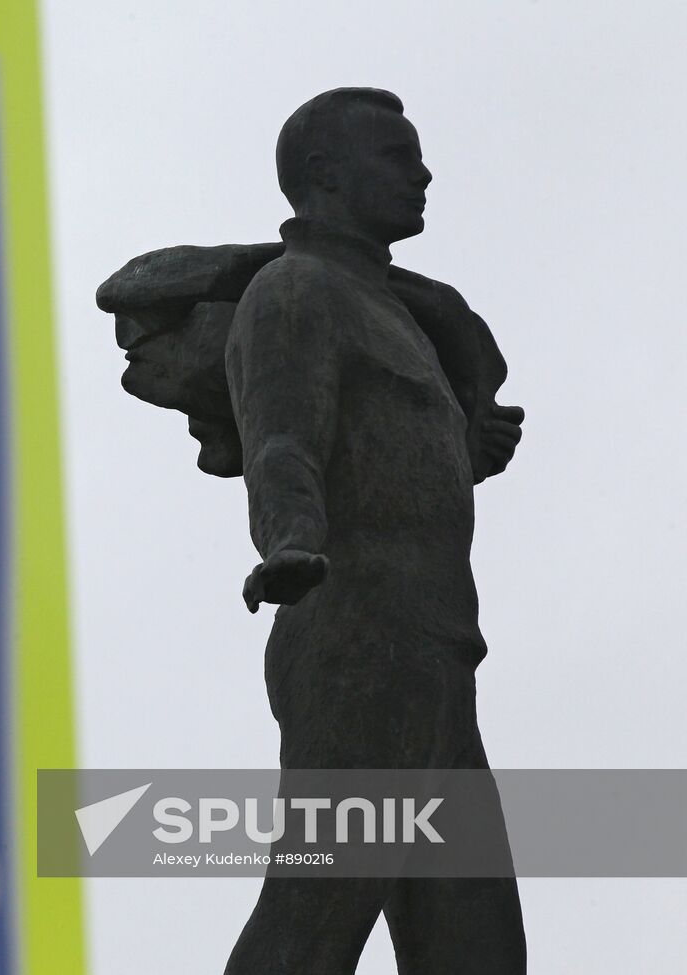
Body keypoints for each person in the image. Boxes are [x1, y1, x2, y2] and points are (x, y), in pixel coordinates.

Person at [102, 88, 528, 973]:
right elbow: (283, 435)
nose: (423, 174)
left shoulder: (405, 312)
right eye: (398, 156)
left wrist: (465, 435)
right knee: (315, 916)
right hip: (356, 638)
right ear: (326, 178)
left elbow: (409, 460)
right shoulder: (294, 290)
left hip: (440, 657)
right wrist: (288, 539)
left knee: (478, 947)